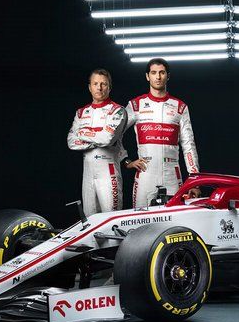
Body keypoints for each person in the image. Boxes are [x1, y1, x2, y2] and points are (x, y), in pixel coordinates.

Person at [123, 58, 200, 207]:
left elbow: (188, 145)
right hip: (145, 174)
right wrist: (126, 161)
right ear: (147, 76)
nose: (158, 77)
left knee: (175, 221)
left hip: (172, 174)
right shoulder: (135, 105)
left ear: (168, 76)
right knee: (140, 221)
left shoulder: (180, 107)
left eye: (162, 73)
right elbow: (115, 136)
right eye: (153, 73)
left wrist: (194, 181)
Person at [67, 69, 127, 216]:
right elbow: (71, 142)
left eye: (103, 84)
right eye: (95, 84)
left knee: (111, 218)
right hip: (87, 173)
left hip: (108, 171)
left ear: (109, 87)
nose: (99, 87)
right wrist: (97, 138)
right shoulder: (81, 112)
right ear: (90, 87)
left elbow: (108, 138)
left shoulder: (118, 110)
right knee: (89, 220)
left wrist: (83, 133)